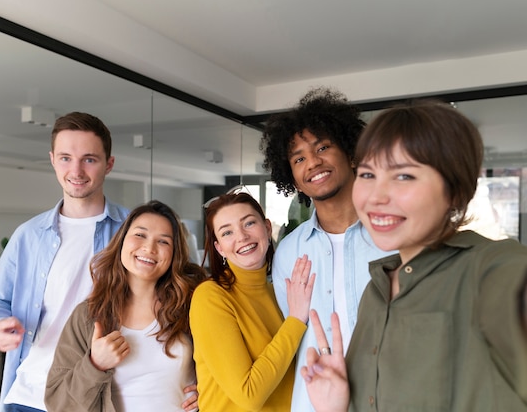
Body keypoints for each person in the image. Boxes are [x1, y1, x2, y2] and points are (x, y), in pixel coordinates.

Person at [301, 100, 527, 411]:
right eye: (367, 174)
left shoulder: (484, 268)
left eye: (404, 176)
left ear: (455, 192)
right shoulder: (376, 291)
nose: (376, 196)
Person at [0, 112, 131, 412]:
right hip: (28, 395)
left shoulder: (134, 231)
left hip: (96, 395)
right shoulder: (28, 235)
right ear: (52, 159)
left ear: (109, 164)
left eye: (89, 159)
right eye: (65, 158)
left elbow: (174, 306)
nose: (76, 170)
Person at [259, 87, 392, 411]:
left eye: (322, 148)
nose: (313, 162)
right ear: (292, 176)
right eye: (299, 158)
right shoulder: (289, 252)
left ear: (350, 152)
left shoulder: (393, 235)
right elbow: (289, 336)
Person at [46, 200, 206, 412]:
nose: (149, 248)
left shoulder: (191, 307)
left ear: (174, 254)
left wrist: (208, 391)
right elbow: (58, 404)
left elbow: (223, 369)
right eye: (140, 235)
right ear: (121, 241)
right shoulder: (88, 316)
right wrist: (95, 365)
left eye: (164, 242)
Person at [189, 191, 316, 411]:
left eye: (248, 223)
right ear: (219, 248)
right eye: (227, 232)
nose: (241, 236)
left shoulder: (281, 291)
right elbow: (248, 395)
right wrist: (295, 321)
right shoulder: (210, 297)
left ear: (267, 228)